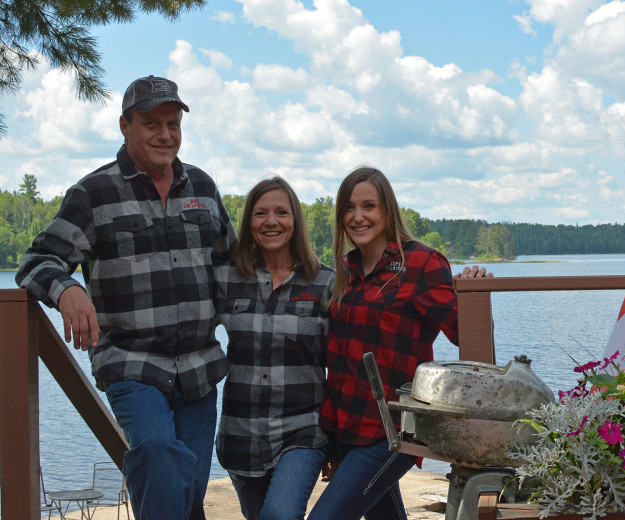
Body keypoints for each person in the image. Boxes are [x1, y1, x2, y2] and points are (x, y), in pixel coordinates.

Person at [16, 75, 236, 520]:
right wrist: (68, 289)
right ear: (125, 126)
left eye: (173, 123)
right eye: (151, 123)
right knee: (154, 449)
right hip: (132, 363)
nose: (165, 134)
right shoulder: (92, 193)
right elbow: (37, 261)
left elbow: (232, 268)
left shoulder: (204, 188)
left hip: (199, 367)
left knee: (189, 486)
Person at [308, 166, 491, 520]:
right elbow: (341, 361)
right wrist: (330, 436)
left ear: (387, 210)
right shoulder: (349, 271)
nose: (358, 217)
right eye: (349, 208)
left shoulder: (421, 264)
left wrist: (475, 294)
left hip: (393, 432)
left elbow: (468, 337)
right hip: (348, 428)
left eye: (368, 206)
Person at [214, 177, 335, 520]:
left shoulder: (325, 282)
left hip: (303, 431)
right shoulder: (226, 279)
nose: (271, 222)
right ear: (248, 223)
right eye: (260, 213)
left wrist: (338, 442)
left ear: (295, 220)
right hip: (240, 437)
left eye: (281, 212)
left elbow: (342, 367)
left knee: (280, 515)